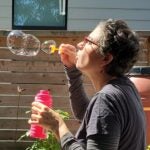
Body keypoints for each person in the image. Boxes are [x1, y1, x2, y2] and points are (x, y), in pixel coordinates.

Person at [28, 19, 146, 150]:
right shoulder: (126, 87)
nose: (79, 45)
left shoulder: (107, 99)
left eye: (88, 41)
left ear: (106, 58)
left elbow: (101, 113)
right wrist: (72, 70)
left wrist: (58, 126)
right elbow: (87, 114)